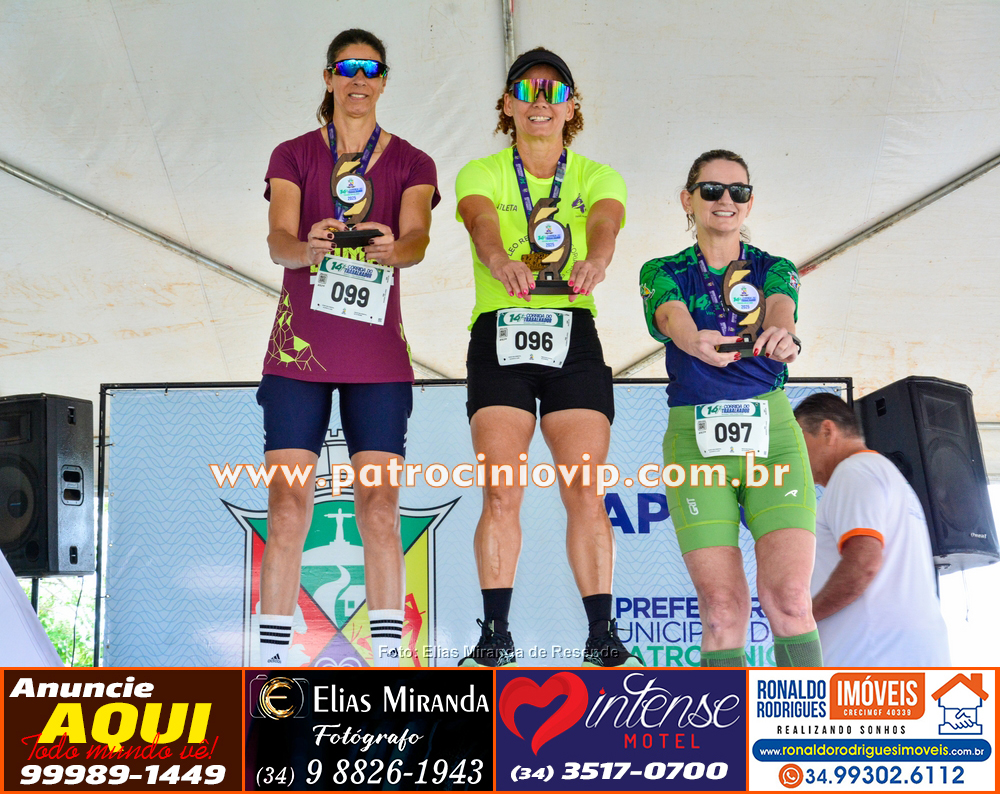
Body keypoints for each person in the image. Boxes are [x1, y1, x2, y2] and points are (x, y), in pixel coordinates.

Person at [253, 29, 439, 666]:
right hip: (298, 355)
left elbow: (417, 240)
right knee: (286, 506)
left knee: (381, 508)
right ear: (329, 77)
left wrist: (394, 249)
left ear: (384, 80)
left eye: (371, 68)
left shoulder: (413, 160)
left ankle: (386, 661)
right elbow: (278, 241)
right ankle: (271, 664)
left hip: (377, 359)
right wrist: (307, 248)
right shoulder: (293, 153)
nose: (359, 79)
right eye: (347, 67)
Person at [455, 47, 640, 667]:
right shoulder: (481, 170)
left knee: (585, 489)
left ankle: (602, 636)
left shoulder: (597, 174)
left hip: (573, 337)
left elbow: (606, 223)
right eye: (526, 90)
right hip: (500, 332)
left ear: (571, 105)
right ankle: (495, 636)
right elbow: (480, 221)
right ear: (507, 104)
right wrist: (497, 260)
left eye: (553, 90)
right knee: (500, 491)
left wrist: (599, 259)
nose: (540, 101)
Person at [639, 149, 822, 668]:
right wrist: (690, 338)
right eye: (711, 189)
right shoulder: (663, 270)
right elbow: (669, 314)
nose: (725, 199)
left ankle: (807, 719)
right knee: (720, 610)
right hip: (695, 440)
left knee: (790, 599)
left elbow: (782, 307)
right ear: (688, 200)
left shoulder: (773, 268)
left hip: (772, 438)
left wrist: (783, 334)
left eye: (738, 191)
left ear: (749, 203)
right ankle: (727, 718)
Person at [794, 393, 951, 666]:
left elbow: (864, 563)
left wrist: (804, 621)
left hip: (872, 662)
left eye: (799, 442)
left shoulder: (853, 472)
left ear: (827, 431)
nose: (797, 456)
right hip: (907, 656)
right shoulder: (886, 475)